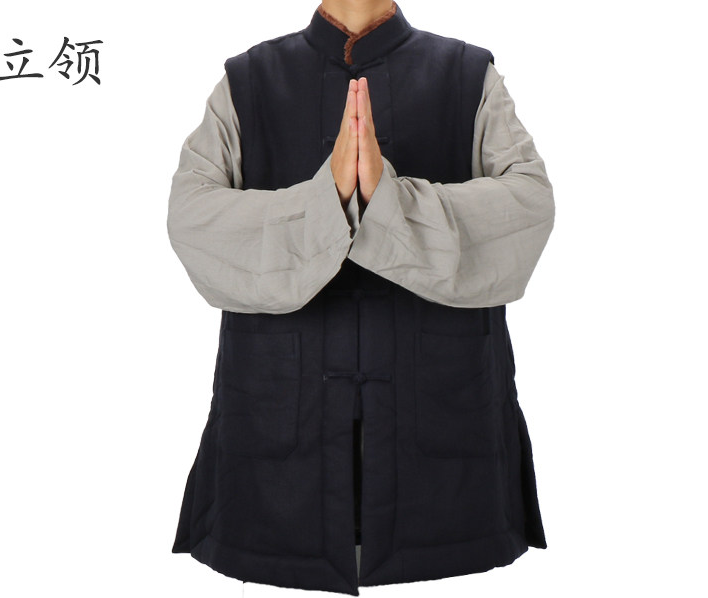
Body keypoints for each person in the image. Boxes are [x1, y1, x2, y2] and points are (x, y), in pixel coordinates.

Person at [167, 1, 554, 594]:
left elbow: (528, 209)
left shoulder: (466, 75)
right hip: (273, 444)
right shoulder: (249, 80)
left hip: (449, 446)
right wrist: (326, 199)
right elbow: (192, 219)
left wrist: (390, 199)